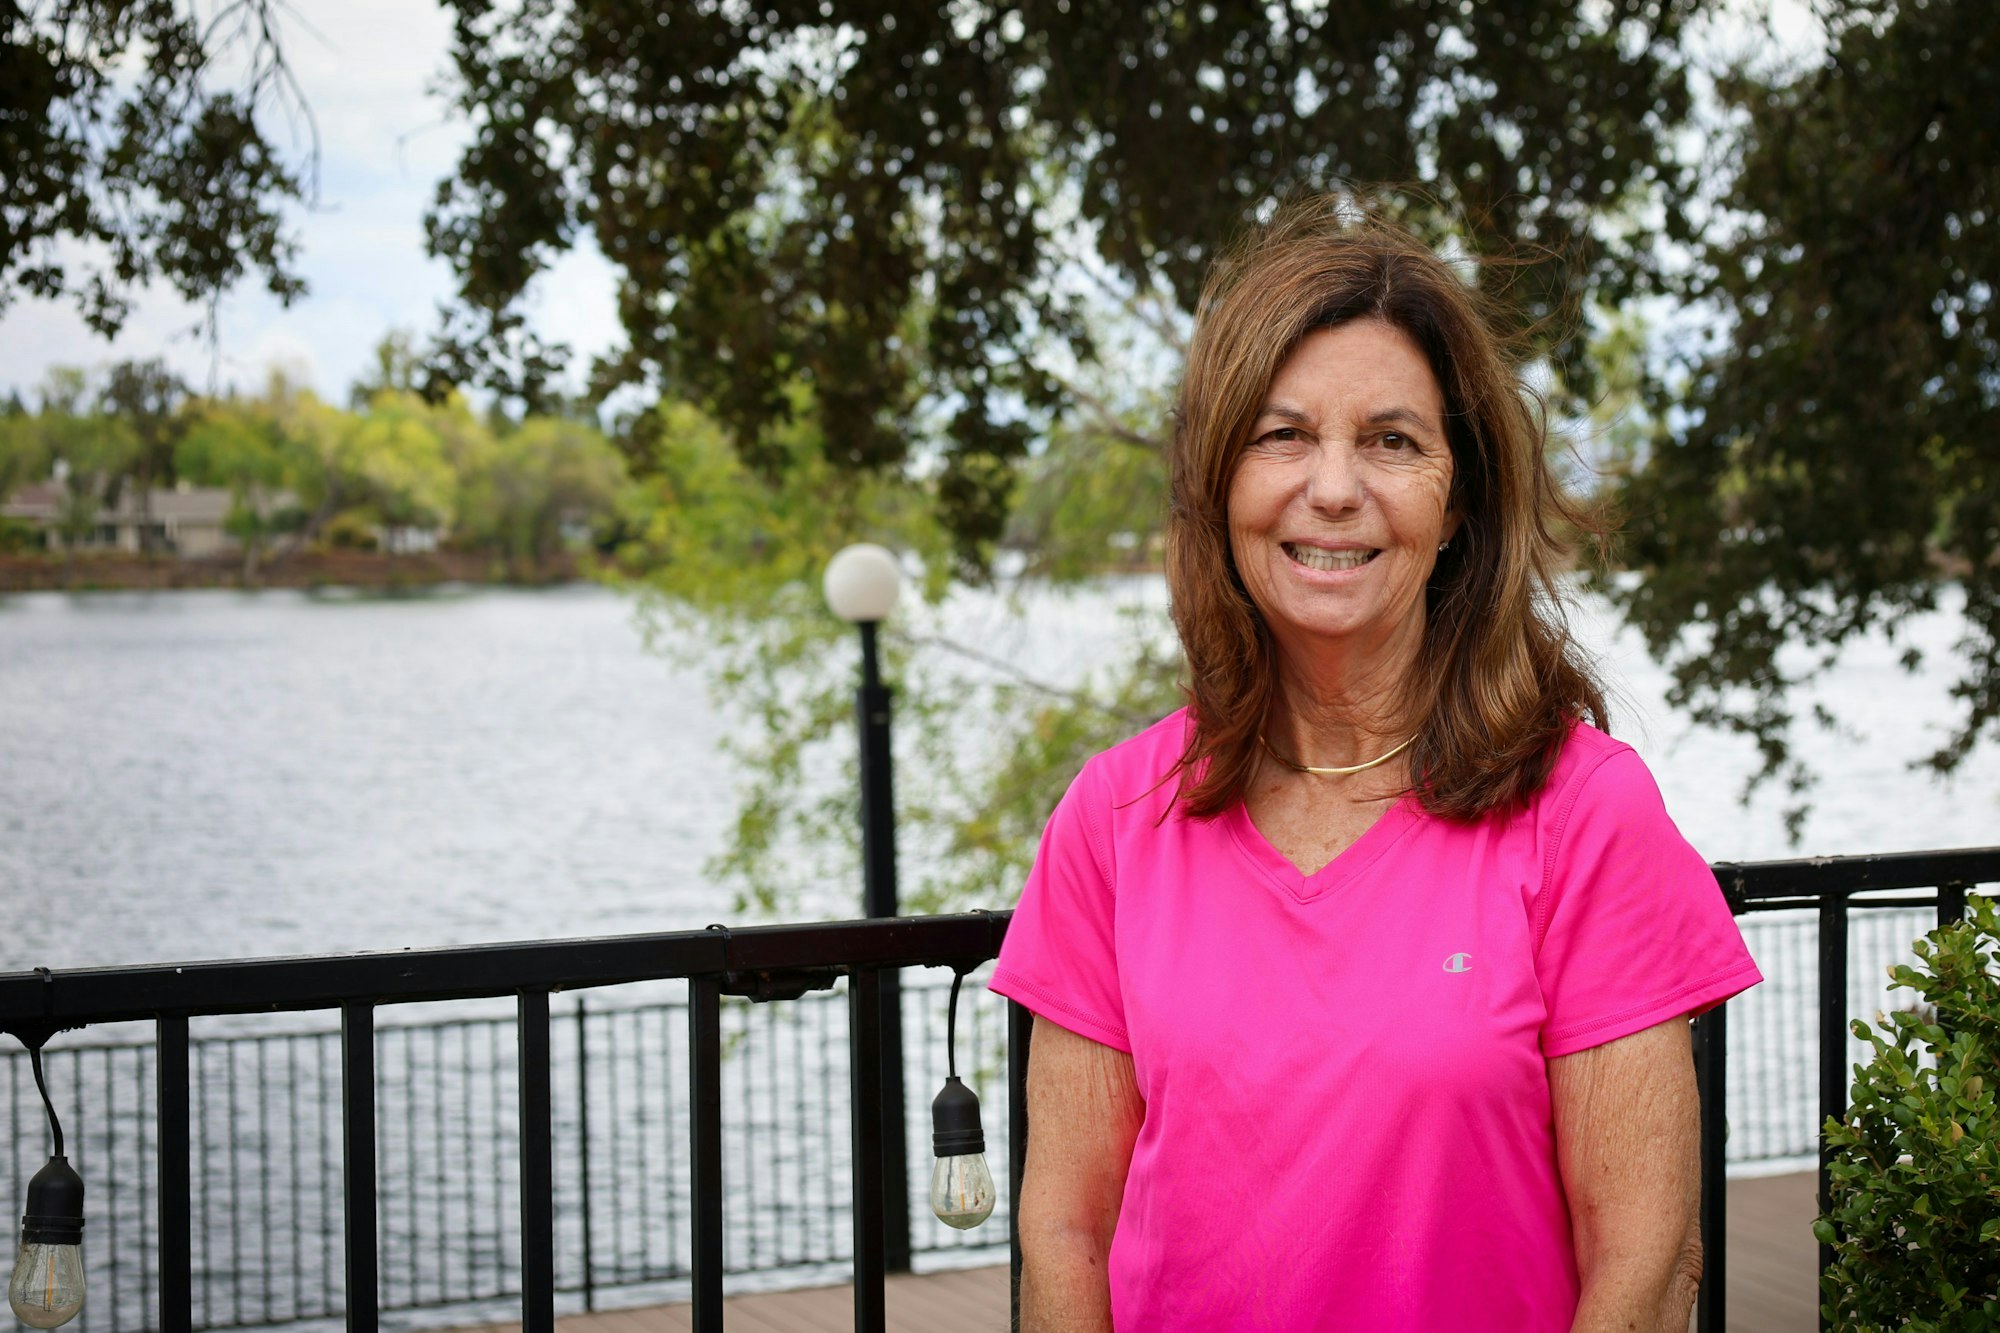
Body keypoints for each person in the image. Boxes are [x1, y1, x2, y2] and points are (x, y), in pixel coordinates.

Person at [988, 201, 1764, 1332]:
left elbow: (1644, 1259)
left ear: (1456, 504)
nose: (1334, 487)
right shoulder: (1113, 816)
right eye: (1281, 434)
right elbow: (1062, 1231)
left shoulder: (1585, 814)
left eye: (1391, 440)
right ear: (1219, 484)